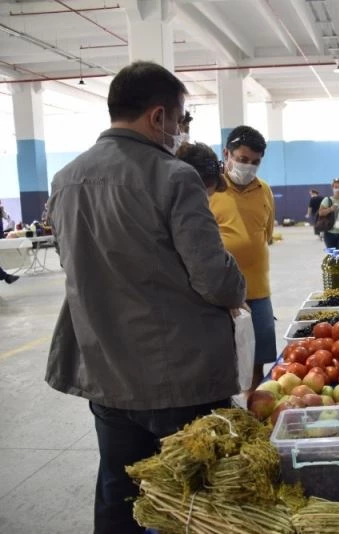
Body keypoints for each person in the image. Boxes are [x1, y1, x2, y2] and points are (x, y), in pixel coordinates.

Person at [45, 61, 246, 534]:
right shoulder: (173, 177)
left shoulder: (65, 179)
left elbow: (72, 263)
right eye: (179, 119)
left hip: (106, 369)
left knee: (121, 491)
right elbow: (214, 279)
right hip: (179, 374)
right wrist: (238, 286)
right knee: (197, 499)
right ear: (159, 117)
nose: (180, 131)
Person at [209, 126, 277, 393]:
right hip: (220, 295)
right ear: (226, 153)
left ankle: (253, 409)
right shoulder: (209, 189)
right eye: (242, 159)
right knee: (223, 361)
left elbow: (266, 235)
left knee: (257, 361)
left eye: (255, 162)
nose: (248, 167)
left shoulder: (265, 190)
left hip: (258, 291)